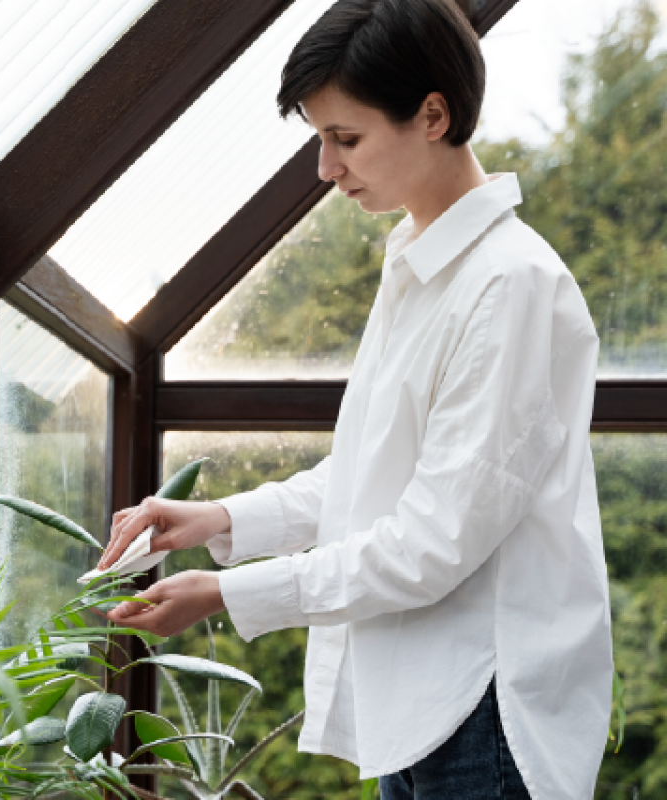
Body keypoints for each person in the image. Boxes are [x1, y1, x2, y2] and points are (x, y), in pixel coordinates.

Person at [99, 1, 612, 797]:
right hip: (421, 702)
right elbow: (378, 476)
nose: (326, 169)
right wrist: (221, 519)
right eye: (320, 140)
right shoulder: (419, 259)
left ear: (433, 114)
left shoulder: (509, 284)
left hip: (485, 708)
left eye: (346, 139)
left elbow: (432, 540)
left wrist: (230, 592)